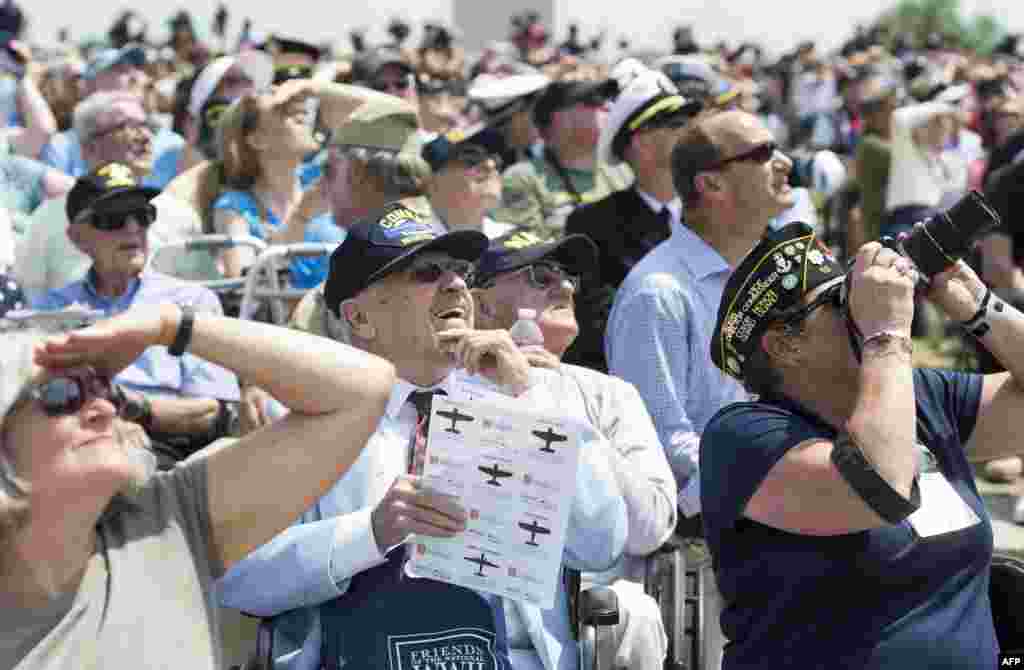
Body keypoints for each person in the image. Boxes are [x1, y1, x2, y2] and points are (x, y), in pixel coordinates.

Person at [220, 203, 628, 670]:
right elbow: (240, 578)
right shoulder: (302, 416)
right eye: (427, 272)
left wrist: (529, 400)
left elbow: (601, 542)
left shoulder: (526, 398)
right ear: (359, 319)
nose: (455, 284)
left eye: (459, 270)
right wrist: (370, 532)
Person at [700, 220, 1024, 668]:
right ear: (784, 345)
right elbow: (880, 488)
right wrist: (886, 334)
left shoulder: (920, 397)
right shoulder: (743, 437)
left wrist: (977, 304)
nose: (859, 309)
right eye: (841, 301)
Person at [0, 299, 394, 668]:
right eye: (63, 394)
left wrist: (172, 324)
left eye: (104, 389)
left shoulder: (164, 522)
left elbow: (364, 389)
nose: (103, 409)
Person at [472, 229, 676, 669]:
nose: (564, 286)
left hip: (587, 641)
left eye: (569, 278)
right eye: (541, 275)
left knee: (632, 610)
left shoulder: (608, 395)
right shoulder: (448, 390)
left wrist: (552, 404)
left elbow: (651, 528)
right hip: (472, 635)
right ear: (482, 303)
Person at [29, 164, 240, 464]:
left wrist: (133, 408)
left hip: (171, 447)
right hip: (78, 446)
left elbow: (212, 412)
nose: (132, 229)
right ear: (77, 237)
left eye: (142, 216)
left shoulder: (191, 301)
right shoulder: (49, 311)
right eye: (113, 219)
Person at [565, 68, 701, 372]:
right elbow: (599, 324)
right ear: (642, 142)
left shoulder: (716, 212)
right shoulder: (593, 225)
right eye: (676, 124)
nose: (691, 132)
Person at [14, 93, 201, 299]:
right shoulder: (49, 219)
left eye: (147, 126)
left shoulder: (180, 215)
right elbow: (30, 299)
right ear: (89, 147)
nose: (145, 137)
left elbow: (201, 293)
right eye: (127, 127)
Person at [493, 78, 631, 235]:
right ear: (559, 118)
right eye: (594, 101)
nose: (608, 106)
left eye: (608, 100)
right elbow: (524, 251)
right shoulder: (523, 178)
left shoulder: (621, 166)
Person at [39, 44, 186, 188]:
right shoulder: (61, 147)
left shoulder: (173, 145)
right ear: (90, 83)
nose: (134, 75)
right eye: (120, 69)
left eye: (136, 68)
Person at [421, 124, 515, 238]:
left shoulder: (510, 239)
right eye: (471, 158)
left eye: (494, 156)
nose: (491, 165)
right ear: (432, 183)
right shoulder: (410, 248)